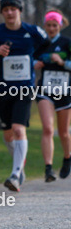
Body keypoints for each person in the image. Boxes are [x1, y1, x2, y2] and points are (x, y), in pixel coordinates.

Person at [0, 0, 48, 192]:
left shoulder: (33, 32)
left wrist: (41, 60)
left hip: (25, 88)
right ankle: (19, 166)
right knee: (8, 134)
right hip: (2, 89)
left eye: (13, 9)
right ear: (2, 13)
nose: (9, 12)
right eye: (5, 9)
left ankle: (15, 174)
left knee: (18, 129)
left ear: (20, 11)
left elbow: (49, 48)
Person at [33, 9, 71, 182]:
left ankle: (67, 158)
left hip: (64, 91)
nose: (51, 28)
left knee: (63, 132)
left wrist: (63, 62)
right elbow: (30, 60)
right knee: (48, 128)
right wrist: (35, 64)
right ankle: (48, 168)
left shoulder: (67, 43)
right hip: (44, 91)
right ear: (45, 26)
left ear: (60, 26)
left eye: (54, 25)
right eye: (48, 25)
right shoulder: (41, 44)